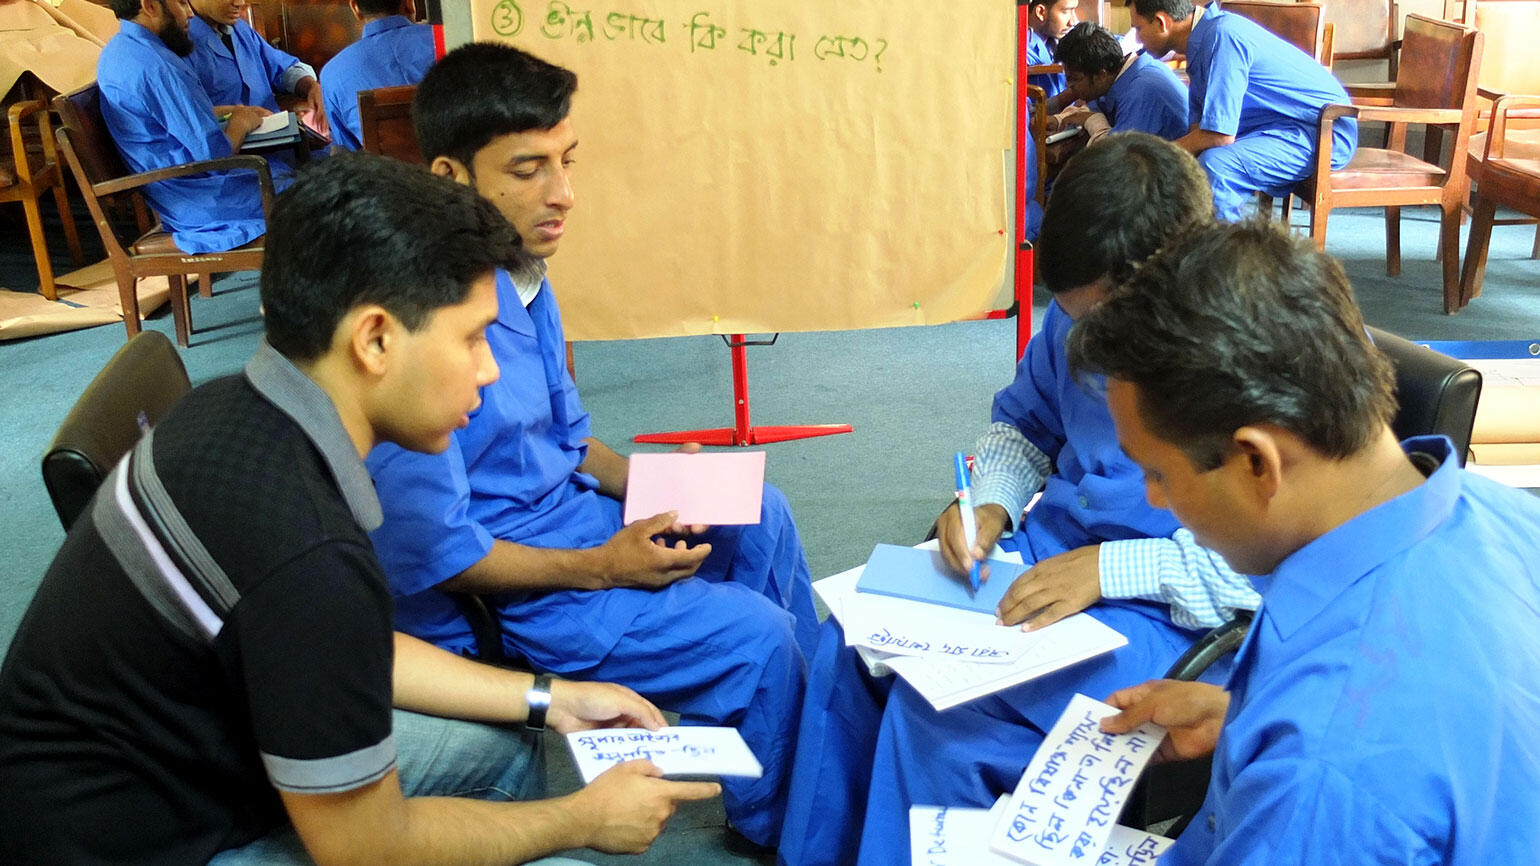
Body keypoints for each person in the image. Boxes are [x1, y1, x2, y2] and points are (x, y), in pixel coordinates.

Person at [0, 153, 721, 865]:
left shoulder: (238, 407)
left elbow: (351, 650)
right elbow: (367, 845)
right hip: (133, 842)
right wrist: (581, 819)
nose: (490, 368)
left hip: (174, 754)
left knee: (498, 751)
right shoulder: (307, 552)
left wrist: (551, 698)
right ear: (375, 339)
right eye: (470, 338)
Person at [364, 42, 818, 852]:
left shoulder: (522, 273)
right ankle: (788, 820)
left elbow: (569, 444)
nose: (563, 194)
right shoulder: (421, 337)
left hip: (569, 523)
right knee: (759, 638)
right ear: (451, 179)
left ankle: (797, 750)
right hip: (516, 593)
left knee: (761, 509)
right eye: (529, 168)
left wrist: (661, 483)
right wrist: (604, 565)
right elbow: (438, 556)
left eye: (566, 161)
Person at [777, 134, 1260, 866]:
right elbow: (1025, 423)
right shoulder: (1084, 310)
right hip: (1044, 558)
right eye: (1072, 316)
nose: (1084, 339)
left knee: (937, 716)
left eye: (1100, 319)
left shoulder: (1252, 352)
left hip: (1174, 613)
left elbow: (1269, 572)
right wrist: (990, 505)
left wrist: (1111, 569)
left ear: (1168, 279)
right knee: (847, 646)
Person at [1076, 220, 1540, 864]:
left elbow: (1354, 752)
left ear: (1258, 463)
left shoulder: (1320, 774)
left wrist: (1294, 738)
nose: (1154, 499)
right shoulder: (1506, 518)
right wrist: (1243, 713)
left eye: (1157, 473)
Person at [1128, 0, 1356, 221]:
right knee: (1189, 164)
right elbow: (1200, 133)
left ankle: (1230, 257)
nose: (1137, 38)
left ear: (1161, 22)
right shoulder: (1202, 42)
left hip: (1322, 131)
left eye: (1138, 28)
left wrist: (1156, 155)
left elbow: (1219, 136)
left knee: (1218, 167)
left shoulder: (1222, 35)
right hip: (1276, 127)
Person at [97, 0, 282, 254]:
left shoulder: (120, 49)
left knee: (302, 176)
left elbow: (168, 119)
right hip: (199, 199)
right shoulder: (158, 65)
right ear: (149, 5)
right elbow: (214, 155)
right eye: (182, 3)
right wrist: (241, 121)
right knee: (314, 193)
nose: (189, 14)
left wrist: (230, 112)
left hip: (175, 190)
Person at [185, 0, 327, 135]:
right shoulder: (179, 44)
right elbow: (188, 114)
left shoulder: (240, 29)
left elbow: (282, 68)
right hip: (232, 152)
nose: (240, 3)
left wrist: (311, 87)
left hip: (278, 139)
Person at [319, 0, 436, 151]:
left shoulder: (332, 73)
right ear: (409, 3)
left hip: (388, 172)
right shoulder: (447, 38)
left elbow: (348, 151)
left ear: (355, 8)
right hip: (458, 168)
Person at [1051, 21, 1187, 143]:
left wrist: (1091, 120)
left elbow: (1118, 156)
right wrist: (1059, 120)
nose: (1069, 86)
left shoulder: (1141, 91)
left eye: (1074, 79)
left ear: (1101, 75)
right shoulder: (1120, 76)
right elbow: (1095, 107)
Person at [1026, 0, 1079, 107]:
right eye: (1066, 11)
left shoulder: (1063, 37)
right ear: (1041, 12)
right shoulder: (1021, 51)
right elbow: (1024, 114)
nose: (1073, 21)